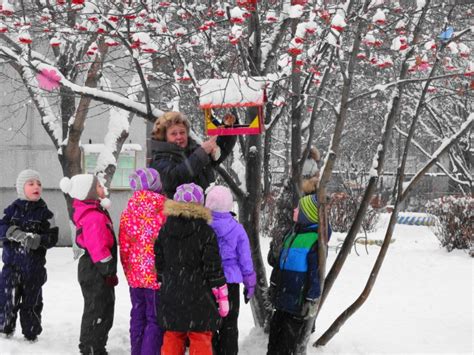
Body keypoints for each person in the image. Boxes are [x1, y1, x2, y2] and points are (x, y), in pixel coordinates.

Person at [155, 183, 229, 355]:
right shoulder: (205, 231)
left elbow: (159, 259)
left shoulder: (166, 229)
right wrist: (220, 290)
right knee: (200, 335)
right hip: (199, 294)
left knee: (173, 334)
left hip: (172, 291)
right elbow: (213, 266)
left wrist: (162, 279)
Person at [59, 174, 118, 355]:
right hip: (95, 270)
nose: (103, 188)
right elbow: (98, 248)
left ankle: (95, 345)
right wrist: (108, 269)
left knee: (102, 308)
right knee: (98, 310)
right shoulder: (93, 217)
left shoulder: (94, 211)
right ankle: (91, 348)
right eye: (99, 186)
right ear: (89, 193)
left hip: (95, 269)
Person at [0, 169, 58, 342]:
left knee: (32, 302)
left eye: (39, 184)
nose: (36, 187)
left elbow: (52, 237)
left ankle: (31, 333)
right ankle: (4, 329)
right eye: (31, 183)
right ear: (21, 188)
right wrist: (11, 232)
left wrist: (39, 240)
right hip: (11, 266)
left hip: (34, 268)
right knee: (6, 298)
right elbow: (1, 228)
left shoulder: (46, 214)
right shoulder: (11, 210)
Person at [267, 194, 329, 355]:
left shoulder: (315, 240)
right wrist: (273, 286)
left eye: (299, 208)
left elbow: (316, 273)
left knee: (287, 345)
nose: (295, 210)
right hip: (281, 299)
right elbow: (278, 265)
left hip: (297, 303)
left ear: (308, 213)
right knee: (273, 340)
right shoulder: (292, 234)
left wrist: (311, 299)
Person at [119, 168, 167, 355]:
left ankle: (136, 350)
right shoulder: (164, 207)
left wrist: (128, 271)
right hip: (157, 276)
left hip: (135, 275)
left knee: (137, 315)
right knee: (154, 319)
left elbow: (123, 244)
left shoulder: (128, 208)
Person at [204, 185, 256, 355]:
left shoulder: (203, 227)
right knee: (230, 324)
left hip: (209, 282)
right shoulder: (237, 229)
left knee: (208, 323)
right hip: (231, 284)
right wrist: (250, 284)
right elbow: (245, 259)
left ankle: (211, 350)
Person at [150, 111, 237, 197]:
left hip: (205, 208)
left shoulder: (193, 150)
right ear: (164, 136)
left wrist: (227, 128)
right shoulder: (159, 157)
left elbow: (220, 152)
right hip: (177, 210)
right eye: (173, 133)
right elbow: (172, 179)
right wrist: (201, 154)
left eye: (182, 132)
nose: (179, 136)